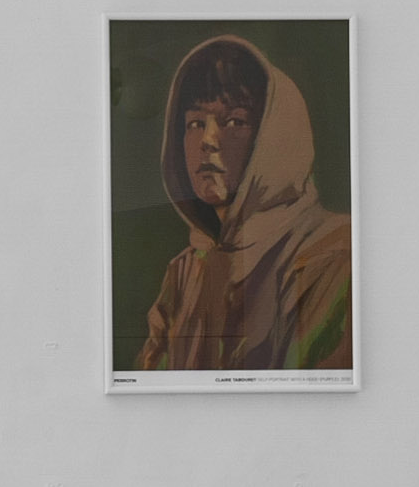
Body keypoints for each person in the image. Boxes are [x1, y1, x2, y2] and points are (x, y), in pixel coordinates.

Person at [134, 31, 352, 373]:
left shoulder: (334, 254)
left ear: (276, 136)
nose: (208, 141)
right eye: (195, 123)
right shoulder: (184, 273)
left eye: (234, 121)